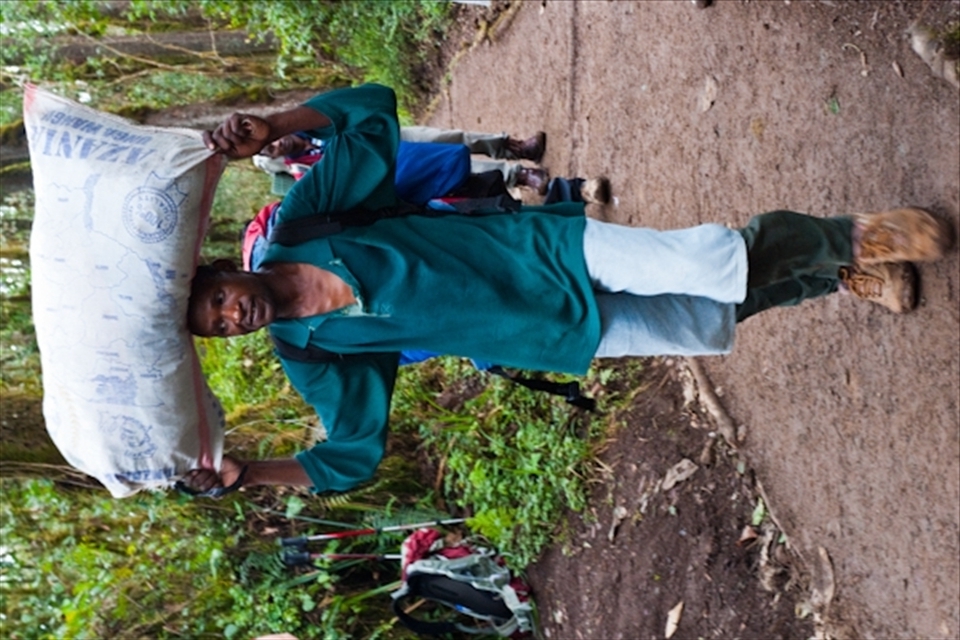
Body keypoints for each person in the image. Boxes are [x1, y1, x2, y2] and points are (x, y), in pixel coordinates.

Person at [181, 83, 953, 497]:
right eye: (217, 330)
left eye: (216, 300)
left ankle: (855, 235)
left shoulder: (305, 221)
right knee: (716, 314)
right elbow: (349, 459)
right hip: (548, 335)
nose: (231, 317)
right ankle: (834, 273)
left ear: (222, 270)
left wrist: (273, 124)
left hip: (546, 248)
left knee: (705, 259)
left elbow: (371, 109)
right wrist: (251, 473)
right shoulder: (308, 351)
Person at [259, 131, 550, 195]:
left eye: (271, 140)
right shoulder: (302, 172)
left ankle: (513, 147)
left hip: (384, 136)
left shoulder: (307, 123)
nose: (277, 145)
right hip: (382, 167)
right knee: (446, 168)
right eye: (271, 150)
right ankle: (520, 176)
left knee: (449, 138)